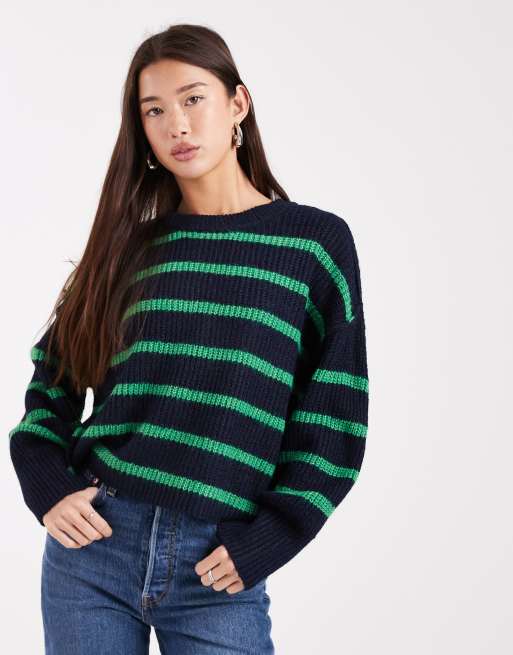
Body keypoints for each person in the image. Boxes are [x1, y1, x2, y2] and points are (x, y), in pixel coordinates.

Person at [9, 22, 369, 655]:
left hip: (218, 560)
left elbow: (334, 415)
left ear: (238, 104)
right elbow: (54, 376)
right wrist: (47, 485)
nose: (177, 124)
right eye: (154, 110)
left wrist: (273, 536)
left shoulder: (312, 245)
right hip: (93, 547)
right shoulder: (127, 250)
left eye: (193, 98)